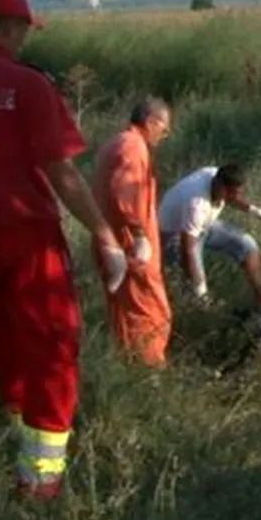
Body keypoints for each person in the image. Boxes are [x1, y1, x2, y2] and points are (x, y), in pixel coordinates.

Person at [0, 0, 129, 500]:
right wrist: (104, 234)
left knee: (5, 341)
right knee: (51, 347)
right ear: (8, 28)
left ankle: (12, 424)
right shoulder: (29, 86)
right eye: (23, 29)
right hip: (25, 237)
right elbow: (63, 173)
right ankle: (41, 480)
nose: (25, 38)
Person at [91, 96, 175, 368]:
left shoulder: (115, 143)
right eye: (164, 128)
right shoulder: (133, 147)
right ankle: (151, 374)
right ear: (151, 122)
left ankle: (130, 368)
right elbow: (124, 192)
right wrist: (140, 235)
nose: (166, 134)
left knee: (126, 314)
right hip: (130, 248)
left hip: (114, 243)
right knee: (149, 314)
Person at [157, 163, 261, 308]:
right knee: (196, 288)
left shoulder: (216, 175)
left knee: (247, 245)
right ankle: (198, 310)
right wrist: (200, 289)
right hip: (176, 235)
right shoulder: (196, 204)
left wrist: (253, 210)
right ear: (220, 186)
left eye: (238, 193)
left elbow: (233, 198)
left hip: (203, 225)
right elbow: (188, 249)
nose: (234, 198)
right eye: (231, 193)